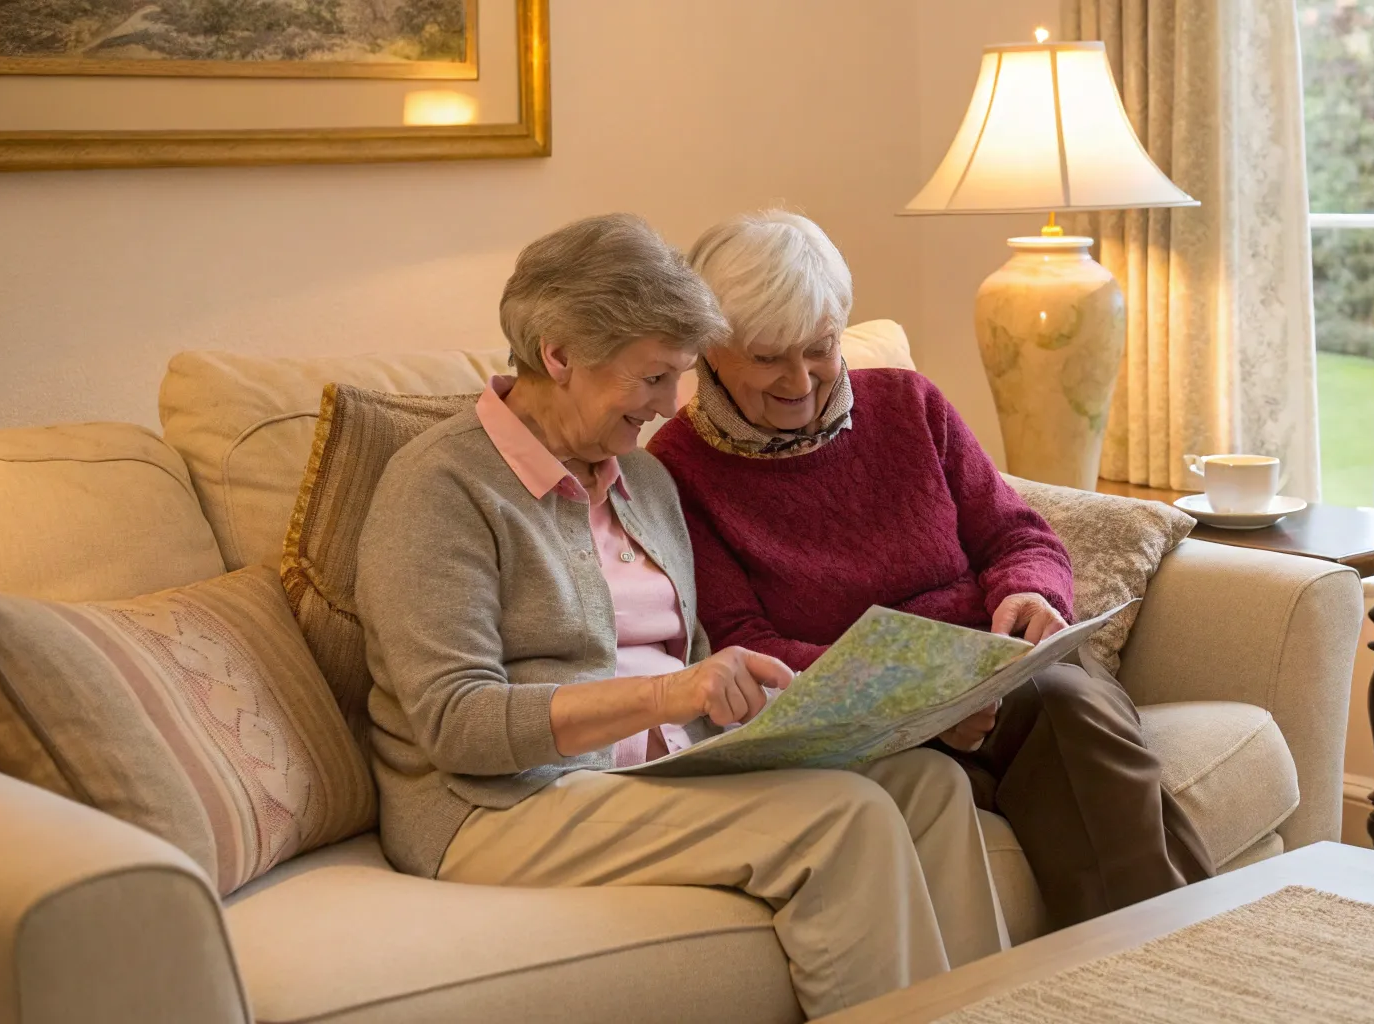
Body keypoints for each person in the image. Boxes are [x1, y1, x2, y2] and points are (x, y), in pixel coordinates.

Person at [354, 213, 1005, 1018]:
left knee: (929, 784)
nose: (671, 408)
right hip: (506, 803)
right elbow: (457, 722)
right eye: (654, 377)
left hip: (668, 767)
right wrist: (673, 696)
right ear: (559, 355)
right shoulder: (441, 487)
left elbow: (693, 654)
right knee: (842, 820)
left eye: (680, 376)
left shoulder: (642, 483)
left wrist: (812, 709)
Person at [648, 210, 1214, 931]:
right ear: (712, 351)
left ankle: (1164, 964)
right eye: (768, 358)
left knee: (1065, 701)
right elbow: (742, 643)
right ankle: (1189, 955)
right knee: (1075, 719)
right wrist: (923, 702)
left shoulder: (909, 406)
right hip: (876, 722)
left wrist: (1033, 595)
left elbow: (1017, 535)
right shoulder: (678, 469)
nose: (802, 380)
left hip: (1008, 671)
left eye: (820, 348)